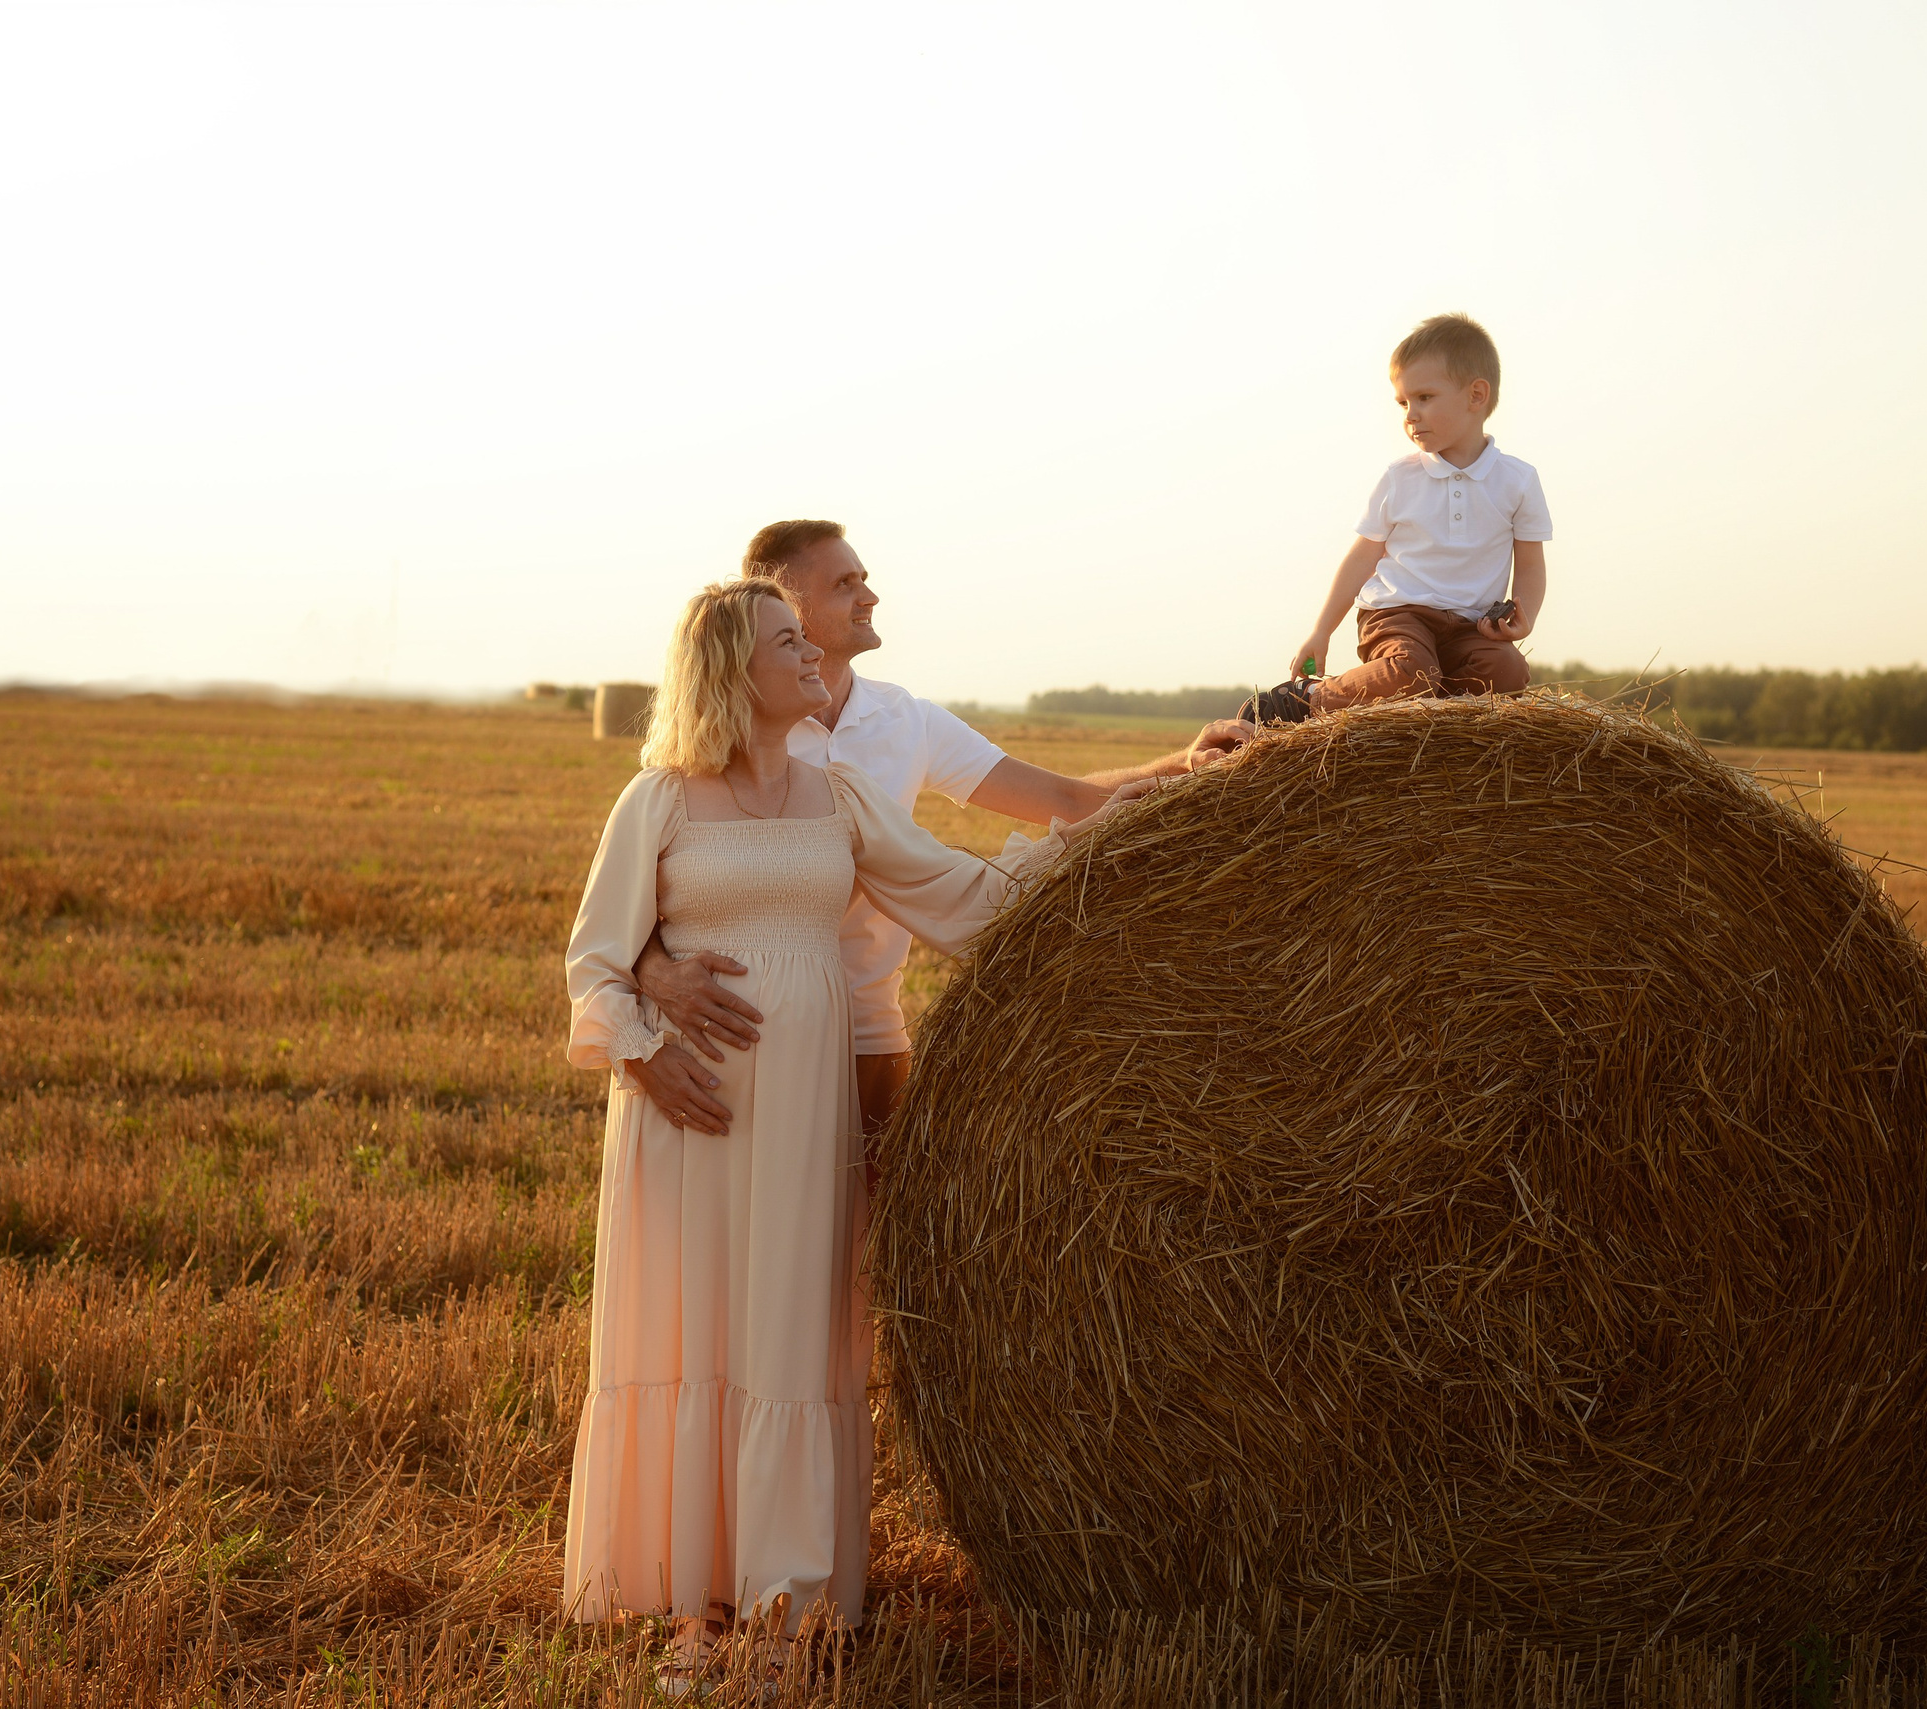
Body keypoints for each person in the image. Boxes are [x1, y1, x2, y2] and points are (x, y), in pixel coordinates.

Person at [561, 577, 1127, 1693]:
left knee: (787, 1331)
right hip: (690, 1112)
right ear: (733, 671)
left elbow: (964, 897)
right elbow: (592, 959)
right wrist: (643, 1045)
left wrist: (1121, 838)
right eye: (787, 641)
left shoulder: (838, 793)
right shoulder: (660, 801)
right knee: (694, 1330)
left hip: (803, 1115)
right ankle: (696, 1608)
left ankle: (784, 1603)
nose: (811, 653)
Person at [629, 520, 1243, 1151]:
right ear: (782, 600)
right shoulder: (703, 758)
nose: (869, 597)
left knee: (850, 1240)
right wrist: (654, 979)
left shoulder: (904, 722)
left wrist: (1181, 765)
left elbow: (1056, 802)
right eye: (845, 584)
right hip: (724, 1041)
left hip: (866, 1028)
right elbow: (634, 903)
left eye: (865, 579)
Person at [1240, 314, 1553, 724]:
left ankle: (1435, 722)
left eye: (1424, 398)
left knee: (1508, 674)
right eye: (1404, 403)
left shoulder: (1518, 480)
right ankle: (1309, 698)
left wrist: (1522, 617)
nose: (1410, 414)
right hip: (1397, 615)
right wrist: (1322, 631)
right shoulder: (1400, 477)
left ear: (1476, 395)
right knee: (1413, 676)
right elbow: (1361, 558)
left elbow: (1530, 563)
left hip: (1472, 626)